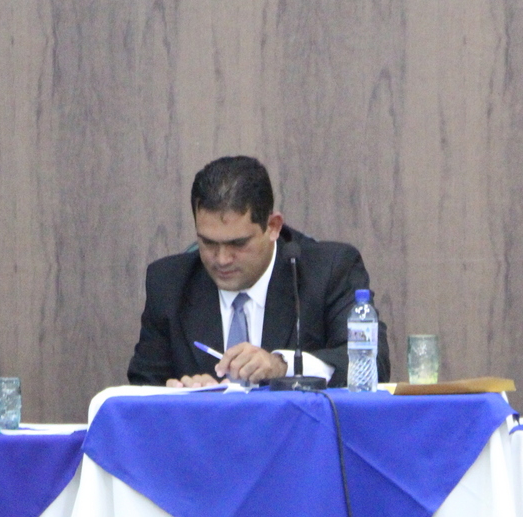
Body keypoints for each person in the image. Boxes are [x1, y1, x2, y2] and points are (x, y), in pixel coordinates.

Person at [127, 155, 390, 388]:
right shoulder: (169, 284)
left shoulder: (329, 270)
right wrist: (180, 395)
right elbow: (142, 387)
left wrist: (283, 366)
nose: (222, 259)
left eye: (238, 243)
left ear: (273, 226)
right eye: (208, 243)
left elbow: (373, 363)